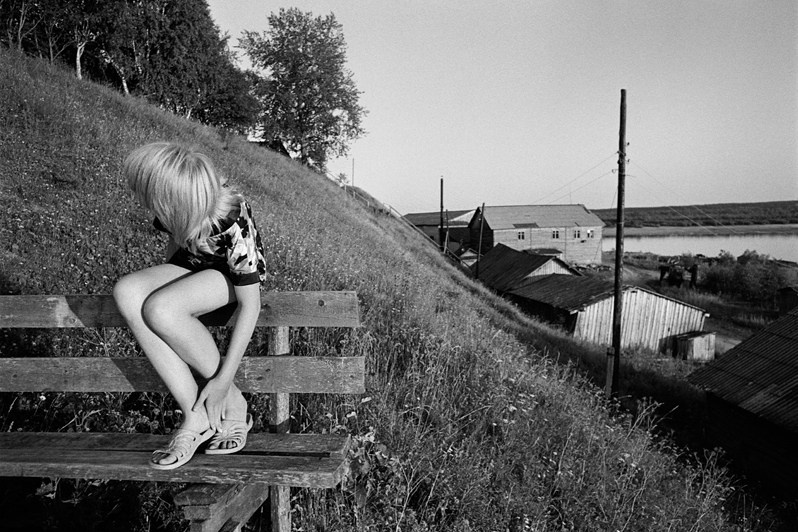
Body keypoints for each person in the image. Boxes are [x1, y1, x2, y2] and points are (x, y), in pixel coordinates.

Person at [113, 142, 267, 470]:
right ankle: (196, 416)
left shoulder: (230, 216)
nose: (142, 200)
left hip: (231, 277)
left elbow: (251, 306)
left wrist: (224, 381)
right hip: (193, 266)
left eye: (147, 194)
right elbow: (176, 243)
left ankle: (234, 404)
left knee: (161, 309)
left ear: (171, 197)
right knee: (128, 292)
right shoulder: (176, 207)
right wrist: (169, 282)